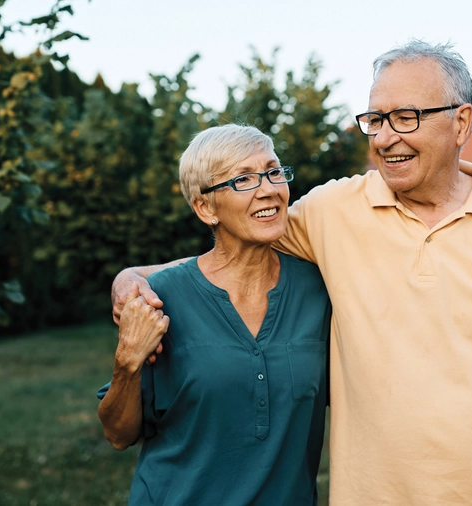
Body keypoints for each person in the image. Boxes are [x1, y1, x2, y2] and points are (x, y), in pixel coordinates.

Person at [113, 41, 472, 506]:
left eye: (407, 117)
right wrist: (131, 278)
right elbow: (233, 251)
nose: (386, 137)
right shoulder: (333, 211)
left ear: (461, 123)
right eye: (376, 119)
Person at [97, 124, 331, 505]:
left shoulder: (318, 290)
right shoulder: (163, 297)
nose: (269, 189)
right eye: (243, 179)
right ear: (205, 208)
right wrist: (127, 363)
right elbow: (118, 435)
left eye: (273, 172)